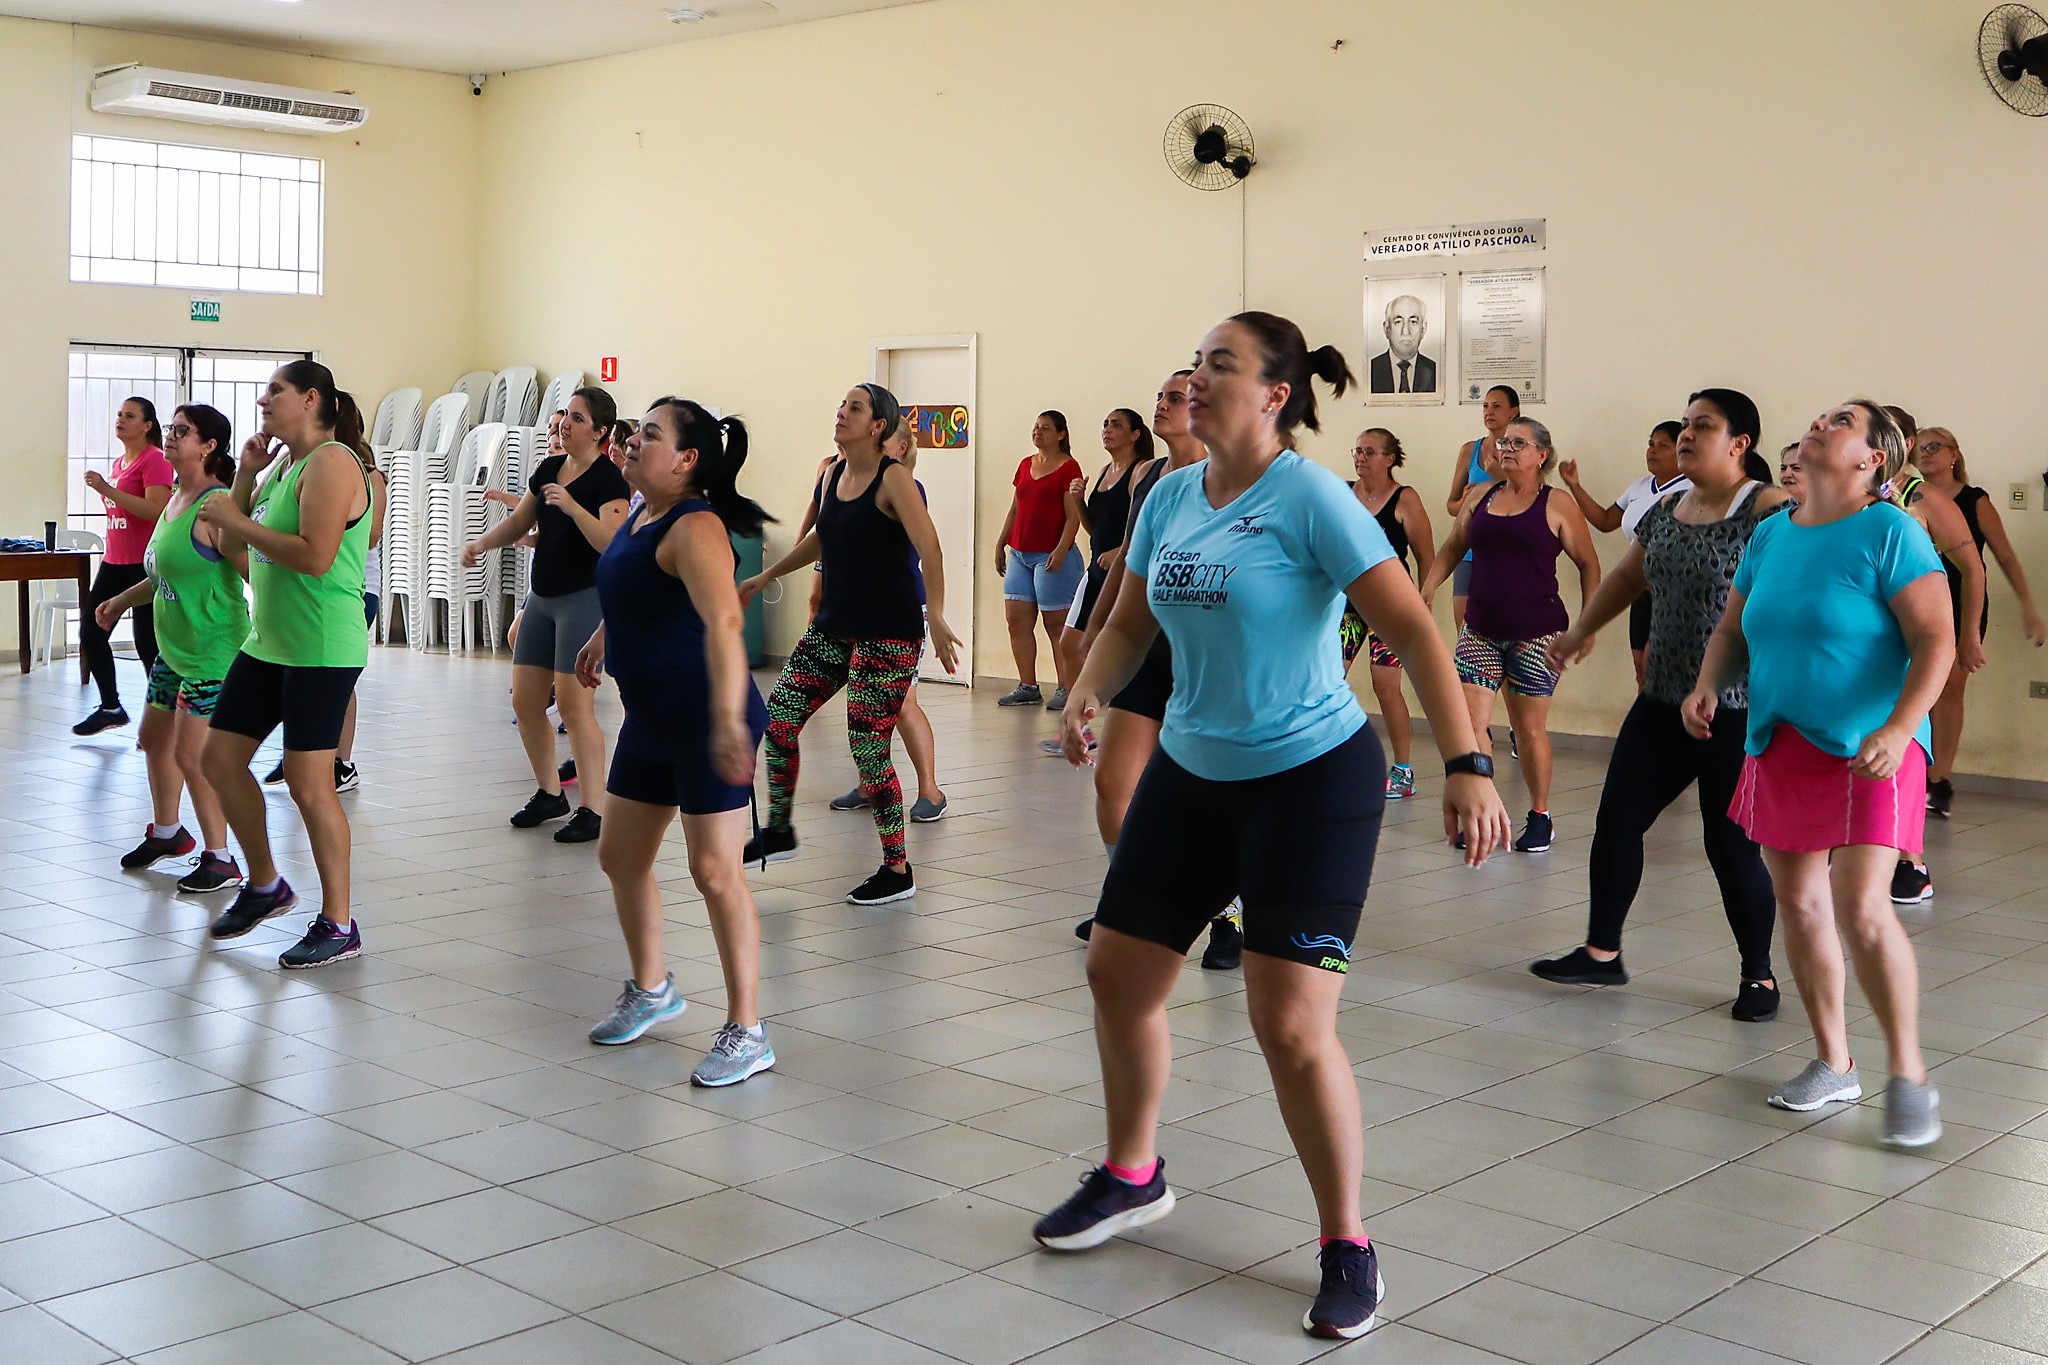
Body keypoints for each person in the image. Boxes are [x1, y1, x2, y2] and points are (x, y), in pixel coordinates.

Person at [1034, 313, 1512, 1341]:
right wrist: (1084, 692)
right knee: (1117, 975)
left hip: (1308, 780)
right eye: (1195, 363)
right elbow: (1125, 621)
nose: (1196, 380)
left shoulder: (1310, 498)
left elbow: (1411, 628)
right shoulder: (1168, 495)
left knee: (1289, 1025)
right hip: (1191, 770)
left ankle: (1346, 1242)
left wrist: (1467, 761)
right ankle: (1132, 1173)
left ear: (1273, 395)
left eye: (1220, 367)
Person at [1685, 399, 1948, 1148]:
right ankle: (1835, 1060)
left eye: (1844, 420)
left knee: (1860, 905)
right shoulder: (1772, 533)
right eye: (1824, 414)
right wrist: (1709, 682)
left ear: (1872, 461)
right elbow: (1734, 629)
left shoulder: (1890, 532)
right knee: (1798, 905)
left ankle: (1910, 1073)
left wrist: (1900, 728)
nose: (1823, 421)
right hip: (1782, 739)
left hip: (1874, 745)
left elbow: (1935, 638)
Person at [1533, 390, 1787, 1020]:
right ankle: (1601, 953)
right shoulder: (1669, 507)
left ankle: (1759, 977)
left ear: (1739, 444)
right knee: (1617, 820)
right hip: (1661, 700)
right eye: (1685, 425)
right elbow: (1626, 578)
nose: (1687, 434)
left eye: (1704, 426)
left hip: (1734, 705)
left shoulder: (1770, 509)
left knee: (1728, 846)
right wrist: (1583, 628)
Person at [576, 398, 777, 1084]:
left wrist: (726, 721)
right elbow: (637, 587)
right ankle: (652, 987)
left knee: (714, 870)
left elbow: (723, 624)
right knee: (620, 854)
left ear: (686, 460)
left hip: (706, 718)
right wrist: (602, 637)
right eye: (635, 432)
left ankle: (748, 1029)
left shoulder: (696, 527)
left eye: (649, 435)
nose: (633, 441)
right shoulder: (643, 509)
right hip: (652, 717)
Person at [739, 384, 962, 905]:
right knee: (779, 721)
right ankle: (779, 828)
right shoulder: (834, 473)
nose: (842, 413)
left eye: (855, 407)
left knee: (867, 747)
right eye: (841, 404)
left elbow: (930, 549)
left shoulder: (895, 481)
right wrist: (765, 575)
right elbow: (821, 534)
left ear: (879, 426)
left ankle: (897, 868)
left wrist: (939, 615)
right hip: (836, 627)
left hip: (888, 633)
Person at [196, 361, 374, 969]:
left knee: (307, 784)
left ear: (311, 398)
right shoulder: (282, 467)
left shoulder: (333, 461)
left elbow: (316, 556)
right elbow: (229, 541)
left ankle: (339, 923)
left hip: (322, 647)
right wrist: (244, 473)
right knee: (218, 760)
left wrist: (237, 519)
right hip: (270, 641)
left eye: (276, 389)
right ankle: (266, 884)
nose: (264, 398)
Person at [1068, 371, 1244, 970]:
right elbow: (1127, 568)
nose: (1165, 407)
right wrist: (1095, 643)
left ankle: (1229, 915)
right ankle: (1133, 897)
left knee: (1209, 800)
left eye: (1176, 398)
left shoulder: (1240, 481)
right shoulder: (1153, 483)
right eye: (1163, 398)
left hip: (1210, 662)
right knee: (1114, 784)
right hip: (1148, 652)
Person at [1421, 417, 1601, 853]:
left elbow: (1589, 563)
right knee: (1469, 725)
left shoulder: (1557, 503)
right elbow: (1452, 546)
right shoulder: (1480, 496)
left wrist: (1588, 624)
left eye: (1518, 443)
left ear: (1542, 454)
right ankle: (1482, 808)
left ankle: (1540, 816)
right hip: (1480, 629)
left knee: (1528, 729)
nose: (1506, 448)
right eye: (1503, 442)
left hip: (1537, 634)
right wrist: (1425, 589)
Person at [462, 387, 631, 844]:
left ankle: (593, 808)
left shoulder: (608, 481)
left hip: (584, 597)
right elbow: (520, 520)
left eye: (577, 418)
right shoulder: (549, 468)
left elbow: (611, 544)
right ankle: (549, 792)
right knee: (524, 701)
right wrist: (482, 544)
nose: (565, 425)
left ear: (600, 431)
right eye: (565, 418)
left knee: (575, 706)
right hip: (544, 596)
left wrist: (573, 507)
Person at [94, 404, 251, 893]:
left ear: (208, 446)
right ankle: (168, 833)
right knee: (153, 738)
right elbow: (162, 574)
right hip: (175, 649)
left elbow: (253, 569)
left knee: (192, 755)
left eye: (183, 432)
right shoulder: (175, 500)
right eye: (171, 430)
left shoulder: (216, 505)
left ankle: (221, 858)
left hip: (214, 651)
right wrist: (120, 600)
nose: (171, 437)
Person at [1914, 426, 2044, 821]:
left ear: (1955, 454)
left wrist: (2028, 606)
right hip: (1920, 600)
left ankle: (1940, 780)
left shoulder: (1974, 500)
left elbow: (2003, 556)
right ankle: (1916, 773)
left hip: (1962, 600)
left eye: (1934, 447)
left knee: (1949, 688)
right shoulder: (1907, 498)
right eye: (1920, 448)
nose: (1927, 454)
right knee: (1918, 688)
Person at [828, 414, 947, 821]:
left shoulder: (905, 486)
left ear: (898, 449)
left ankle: (931, 789)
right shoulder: (844, 478)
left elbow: (927, 552)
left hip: (899, 614)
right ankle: (869, 781)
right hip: (859, 613)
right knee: (864, 702)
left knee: (903, 703)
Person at [1886, 441, 1986, 904]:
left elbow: (1975, 566)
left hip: (1919, 632)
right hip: (1869, 639)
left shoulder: (1926, 500)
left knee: (1907, 738)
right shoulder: (1841, 497)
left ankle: (1912, 859)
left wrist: (1968, 634)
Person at [1043, 408, 1152, 751]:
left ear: (1135, 435)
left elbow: (1144, 528)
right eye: (1105, 423)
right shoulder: (1105, 472)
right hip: (1096, 570)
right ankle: (1080, 723)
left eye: (1116, 425)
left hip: (1123, 572)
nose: (1107, 430)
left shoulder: (1139, 473)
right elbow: (1095, 531)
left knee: (1114, 645)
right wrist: (1077, 500)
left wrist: (1121, 551)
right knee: (1070, 643)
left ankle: (1126, 719)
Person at [1557, 420, 1690, 690]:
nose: (1652, 450)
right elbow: (1606, 521)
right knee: (1641, 668)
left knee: (1659, 667)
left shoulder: (1691, 490)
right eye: (1650, 444)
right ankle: (1648, 730)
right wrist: (1575, 486)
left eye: (1663, 446)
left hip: (1672, 589)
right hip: (1639, 586)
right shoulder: (1640, 486)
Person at [74, 397, 175, 736]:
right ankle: (111, 707)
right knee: (91, 630)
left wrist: (106, 489)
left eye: (130, 416)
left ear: (147, 425)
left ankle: (164, 718)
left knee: (147, 642)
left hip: (143, 564)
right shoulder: (120, 463)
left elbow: (155, 509)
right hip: (114, 560)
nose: (121, 420)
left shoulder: (155, 460)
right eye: (119, 414)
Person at [1346, 428, 1436, 797]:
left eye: (1369, 451)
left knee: (1385, 687)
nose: (1361, 457)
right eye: (1357, 451)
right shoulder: (1343, 493)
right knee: (1327, 681)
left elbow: (1426, 555)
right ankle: (1330, 759)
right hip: (1347, 606)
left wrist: (1425, 601)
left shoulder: (1405, 498)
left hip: (1390, 609)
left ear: (1390, 458)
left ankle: (1402, 769)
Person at [993, 411, 1084, 710]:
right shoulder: (1025, 465)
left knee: (1056, 624)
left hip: (1051, 555)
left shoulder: (1068, 467)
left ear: (1061, 434)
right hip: (1019, 554)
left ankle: (1066, 687)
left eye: (1045, 428)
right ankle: (1028, 685)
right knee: (1016, 620)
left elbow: (1073, 517)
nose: (1038, 432)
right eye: (1036, 427)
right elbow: (1015, 508)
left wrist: (1061, 549)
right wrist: (1001, 542)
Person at [1442, 385, 1517, 632]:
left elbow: (1533, 499)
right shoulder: (1469, 450)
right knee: (1466, 635)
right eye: (1485, 406)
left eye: (1497, 406)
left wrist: (1500, 476)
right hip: (1469, 552)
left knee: (1503, 633)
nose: (1489, 412)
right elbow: (1452, 506)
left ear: (1513, 412)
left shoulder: (1523, 451)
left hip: (1506, 554)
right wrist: (1464, 501)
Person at [1367, 294, 1437, 394]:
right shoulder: (1370, 370)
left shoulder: (1435, 371)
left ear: (1423, 329)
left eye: (1413, 322)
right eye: (1398, 322)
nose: (1405, 331)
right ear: (1387, 329)